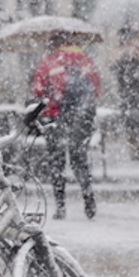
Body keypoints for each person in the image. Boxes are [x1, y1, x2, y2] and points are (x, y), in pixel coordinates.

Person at [31, 34, 102, 219]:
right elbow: (96, 88)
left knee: (57, 161)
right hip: (82, 115)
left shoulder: (49, 61)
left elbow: (38, 89)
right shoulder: (86, 59)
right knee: (79, 158)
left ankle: (61, 207)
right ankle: (88, 199)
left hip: (55, 116)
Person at [111, 27, 139, 160]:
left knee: (136, 122)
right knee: (132, 122)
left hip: (135, 95)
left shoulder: (138, 57)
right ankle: (135, 148)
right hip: (130, 95)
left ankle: (136, 147)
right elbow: (117, 71)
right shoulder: (125, 58)